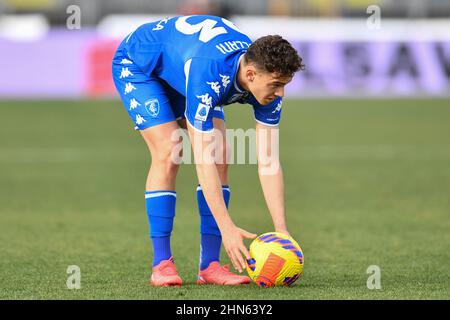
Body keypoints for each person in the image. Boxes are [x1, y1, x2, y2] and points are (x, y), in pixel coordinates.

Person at [112, 15, 304, 286]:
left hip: (183, 65)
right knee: (170, 151)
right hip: (141, 65)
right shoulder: (210, 73)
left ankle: (210, 266)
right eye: (276, 85)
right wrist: (227, 228)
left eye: (285, 85)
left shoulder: (263, 82)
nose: (281, 94)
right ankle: (161, 264)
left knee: (221, 154)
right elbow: (201, 161)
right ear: (250, 75)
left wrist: (282, 230)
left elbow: (268, 159)